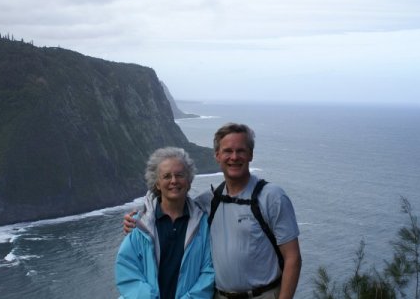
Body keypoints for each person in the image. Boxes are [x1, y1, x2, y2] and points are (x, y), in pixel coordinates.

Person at [124, 123, 301, 299]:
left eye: (241, 150)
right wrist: (140, 220)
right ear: (217, 155)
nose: (234, 157)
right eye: (227, 151)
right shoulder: (207, 202)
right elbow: (172, 206)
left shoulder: (272, 197)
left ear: (251, 155)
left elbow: (292, 258)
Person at [115, 147, 215, 299]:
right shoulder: (139, 224)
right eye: (167, 176)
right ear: (157, 184)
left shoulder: (203, 224)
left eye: (180, 175)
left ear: (189, 181)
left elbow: (209, 271)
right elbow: (127, 270)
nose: (174, 181)